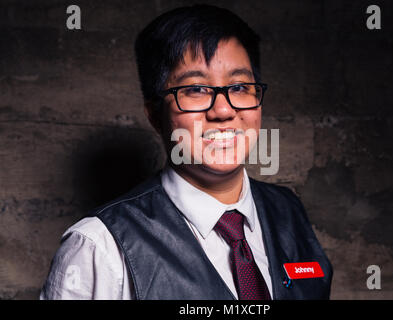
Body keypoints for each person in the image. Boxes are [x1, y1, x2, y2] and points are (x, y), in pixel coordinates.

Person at [40, 4, 332, 300]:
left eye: (240, 86)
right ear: (155, 114)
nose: (223, 110)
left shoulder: (288, 210)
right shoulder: (98, 248)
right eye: (195, 90)